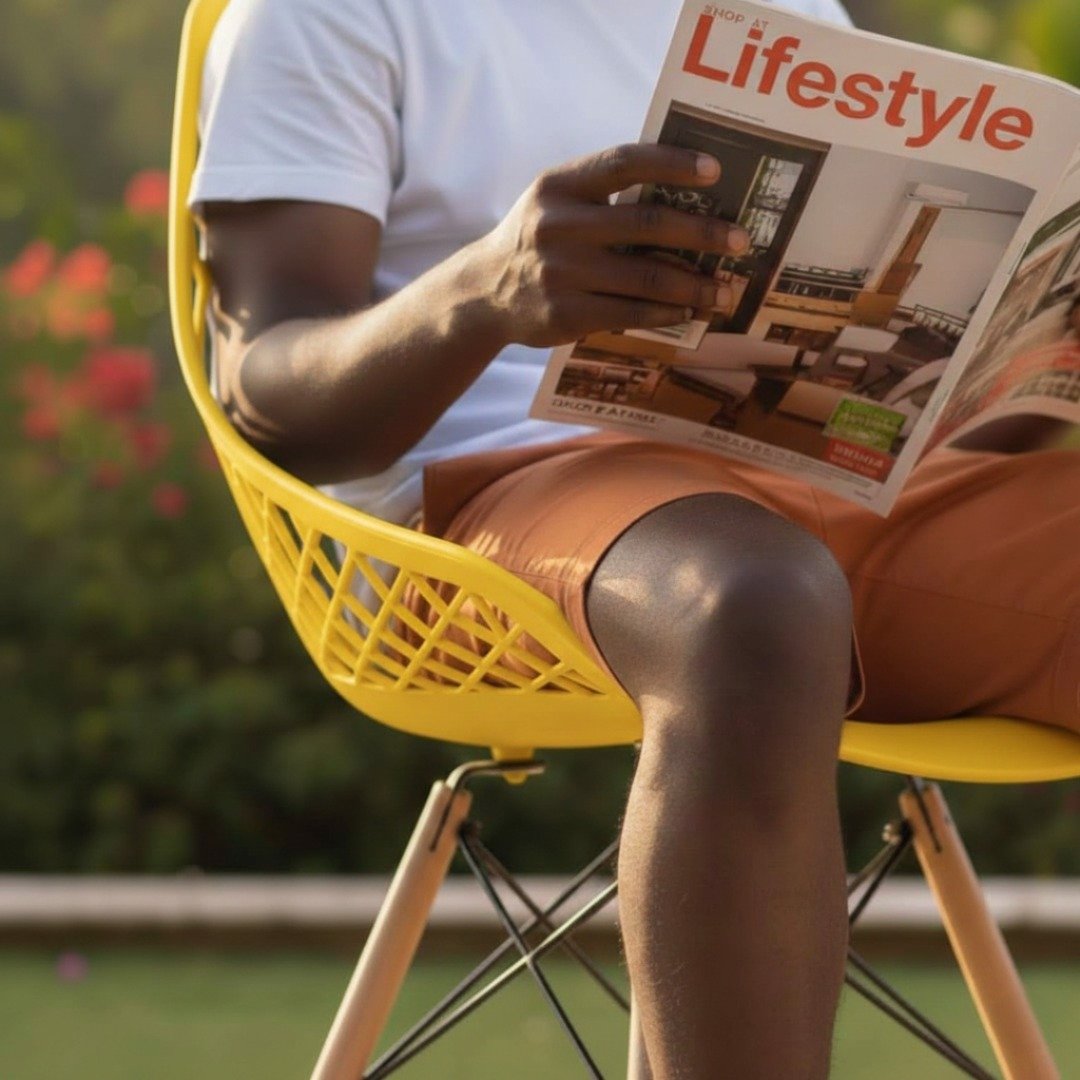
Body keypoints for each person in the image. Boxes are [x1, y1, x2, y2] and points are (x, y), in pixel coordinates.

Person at [191, 1, 1080, 1075]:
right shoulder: (326, 14)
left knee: (772, 585)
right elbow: (271, 389)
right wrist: (482, 293)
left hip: (844, 472)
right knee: (751, 609)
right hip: (504, 496)